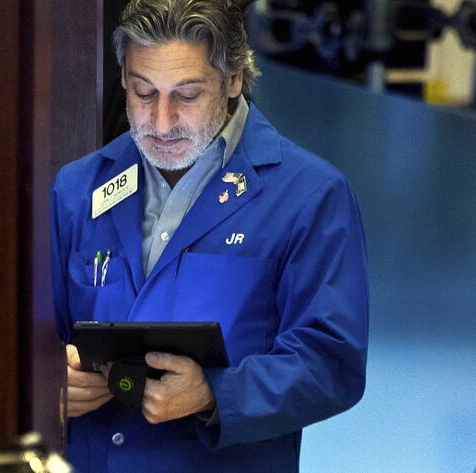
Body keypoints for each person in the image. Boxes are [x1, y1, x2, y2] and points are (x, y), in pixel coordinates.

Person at [49, 0, 369, 471]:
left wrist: (215, 395)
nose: (160, 122)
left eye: (187, 95)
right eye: (143, 92)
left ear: (234, 79)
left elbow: (331, 362)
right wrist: (49, 381)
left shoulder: (310, 196)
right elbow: (34, 337)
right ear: (122, 78)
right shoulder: (77, 189)